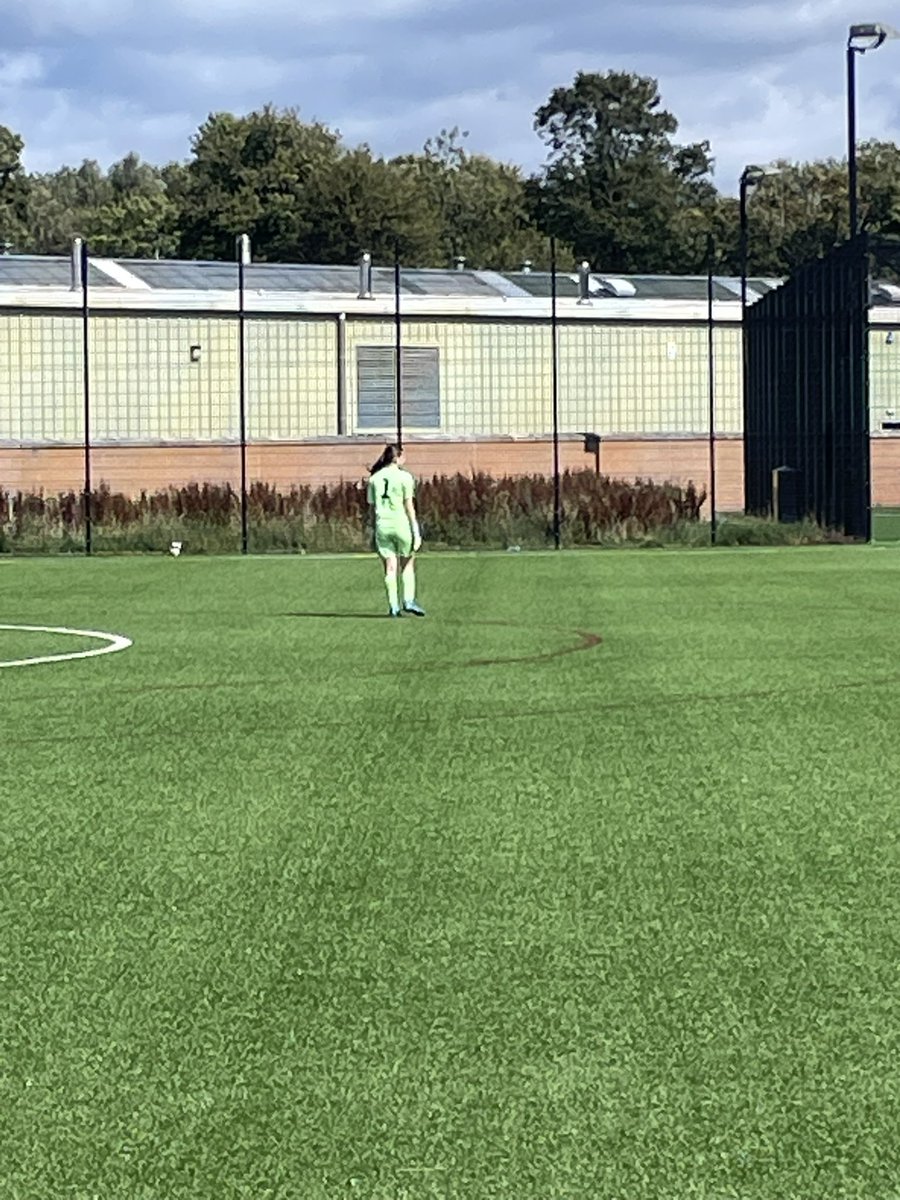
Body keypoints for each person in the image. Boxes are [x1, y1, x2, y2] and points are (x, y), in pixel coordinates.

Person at [366, 444, 426, 618]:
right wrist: (415, 530)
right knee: (407, 563)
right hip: (401, 524)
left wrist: (372, 529)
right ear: (397, 457)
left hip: (382, 525)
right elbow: (409, 506)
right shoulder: (405, 477)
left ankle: (393, 606)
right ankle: (408, 600)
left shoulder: (374, 479)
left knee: (389, 567)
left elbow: (371, 508)